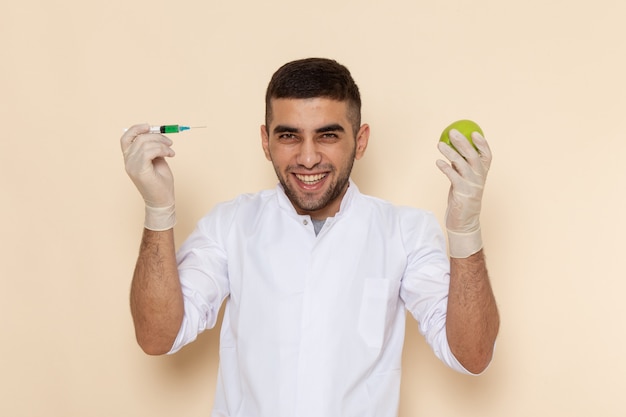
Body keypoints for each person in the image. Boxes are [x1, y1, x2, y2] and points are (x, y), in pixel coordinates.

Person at [121, 57, 499, 417]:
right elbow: (158, 337)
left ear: (361, 140)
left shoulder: (404, 231)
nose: (307, 157)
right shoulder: (230, 224)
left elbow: (472, 355)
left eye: (327, 135)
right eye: (289, 136)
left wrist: (464, 230)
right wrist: (159, 210)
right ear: (265, 141)